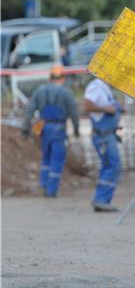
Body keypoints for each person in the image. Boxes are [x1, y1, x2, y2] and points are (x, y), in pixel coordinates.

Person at [22, 66, 80, 197]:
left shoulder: (40, 91)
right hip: (58, 129)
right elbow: (74, 113)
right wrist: (76, 130)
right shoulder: (66, 92)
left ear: (50, 78)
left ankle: (43, 184)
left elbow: (29, 110)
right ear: (63, 78)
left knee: (46, 159)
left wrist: (25, 128)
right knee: (57, 159)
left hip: (44, 129)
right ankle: (51, 190)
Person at [84, 77, 124, 212]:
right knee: (113, 166)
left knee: (110, 166)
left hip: (108, 135)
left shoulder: (105, 88)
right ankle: (101, 200)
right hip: (103, 136)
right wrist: (107, 109)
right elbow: (88, 105)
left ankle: (103, 200)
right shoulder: (96, 86)